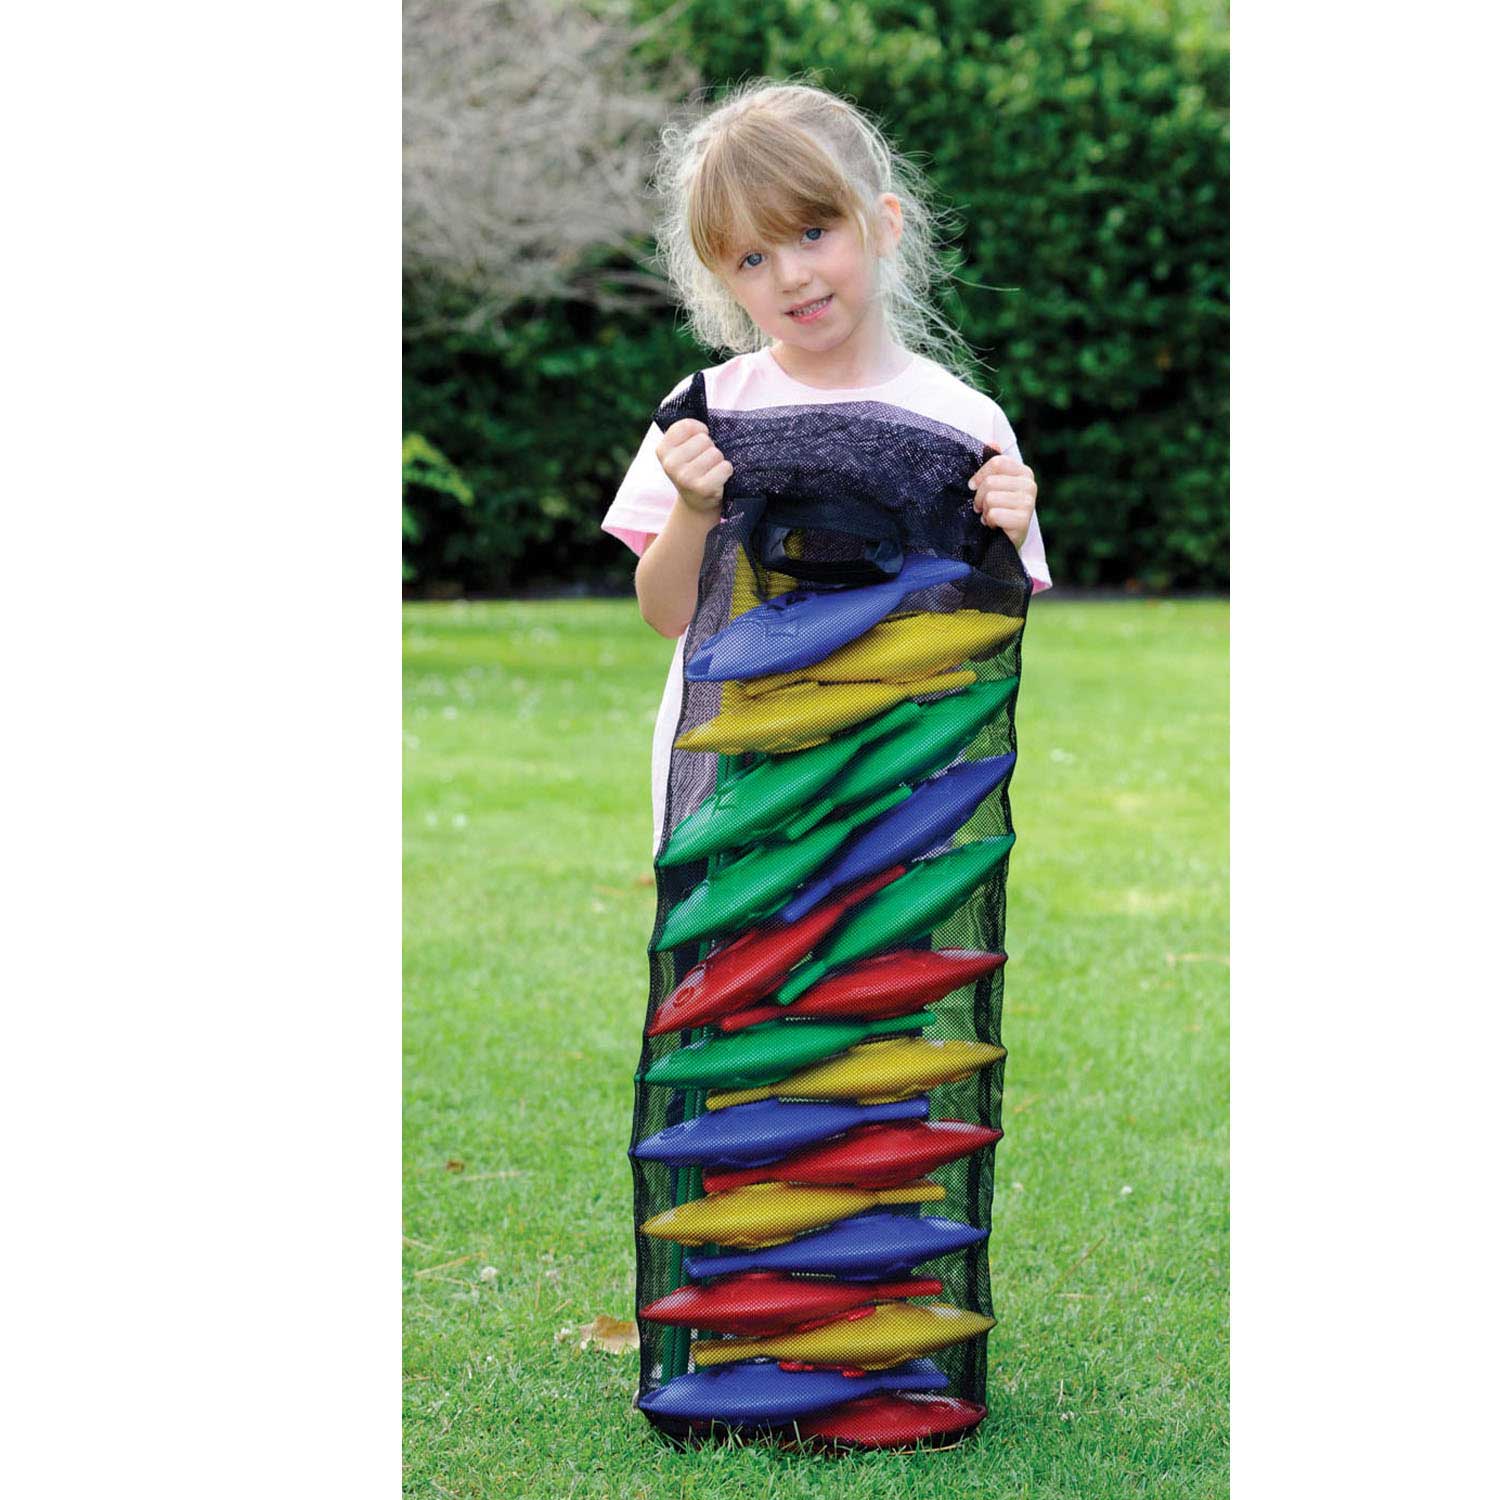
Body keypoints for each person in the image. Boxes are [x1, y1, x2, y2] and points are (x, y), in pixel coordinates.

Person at [601, 79, 1051, 853]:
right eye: (751, 257)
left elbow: (974, 645)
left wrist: (1000, 540)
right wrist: (695, 508)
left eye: (814, 232)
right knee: (752, 934)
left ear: (883, 225)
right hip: (741, 776)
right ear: (721, 278)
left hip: (896, 775)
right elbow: (667, 612)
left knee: (882, 932)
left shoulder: (965, 423)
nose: (790, 275)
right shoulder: (705, 412)